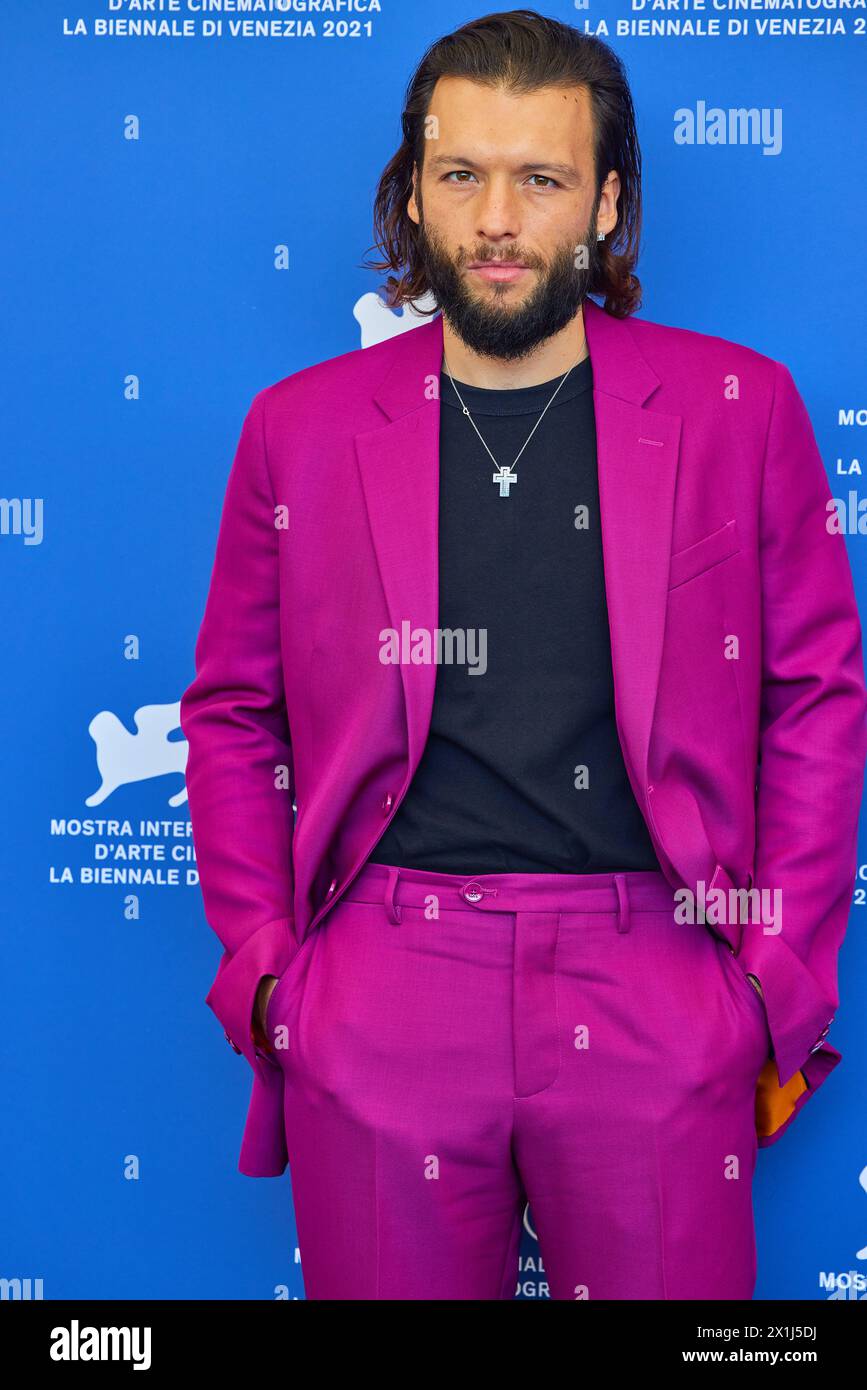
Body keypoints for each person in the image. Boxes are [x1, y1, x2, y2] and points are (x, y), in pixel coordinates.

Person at [179, 11, 867, 1299]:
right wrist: (273, 979)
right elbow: (231, 711)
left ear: (606, 203)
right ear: (415, 196)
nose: (497, 219)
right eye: (461, 176)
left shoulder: (739, 408)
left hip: (658, 975)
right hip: (384, 981)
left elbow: (815, 701)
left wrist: (769, 991)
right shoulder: (299, 431)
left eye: (540, 180)